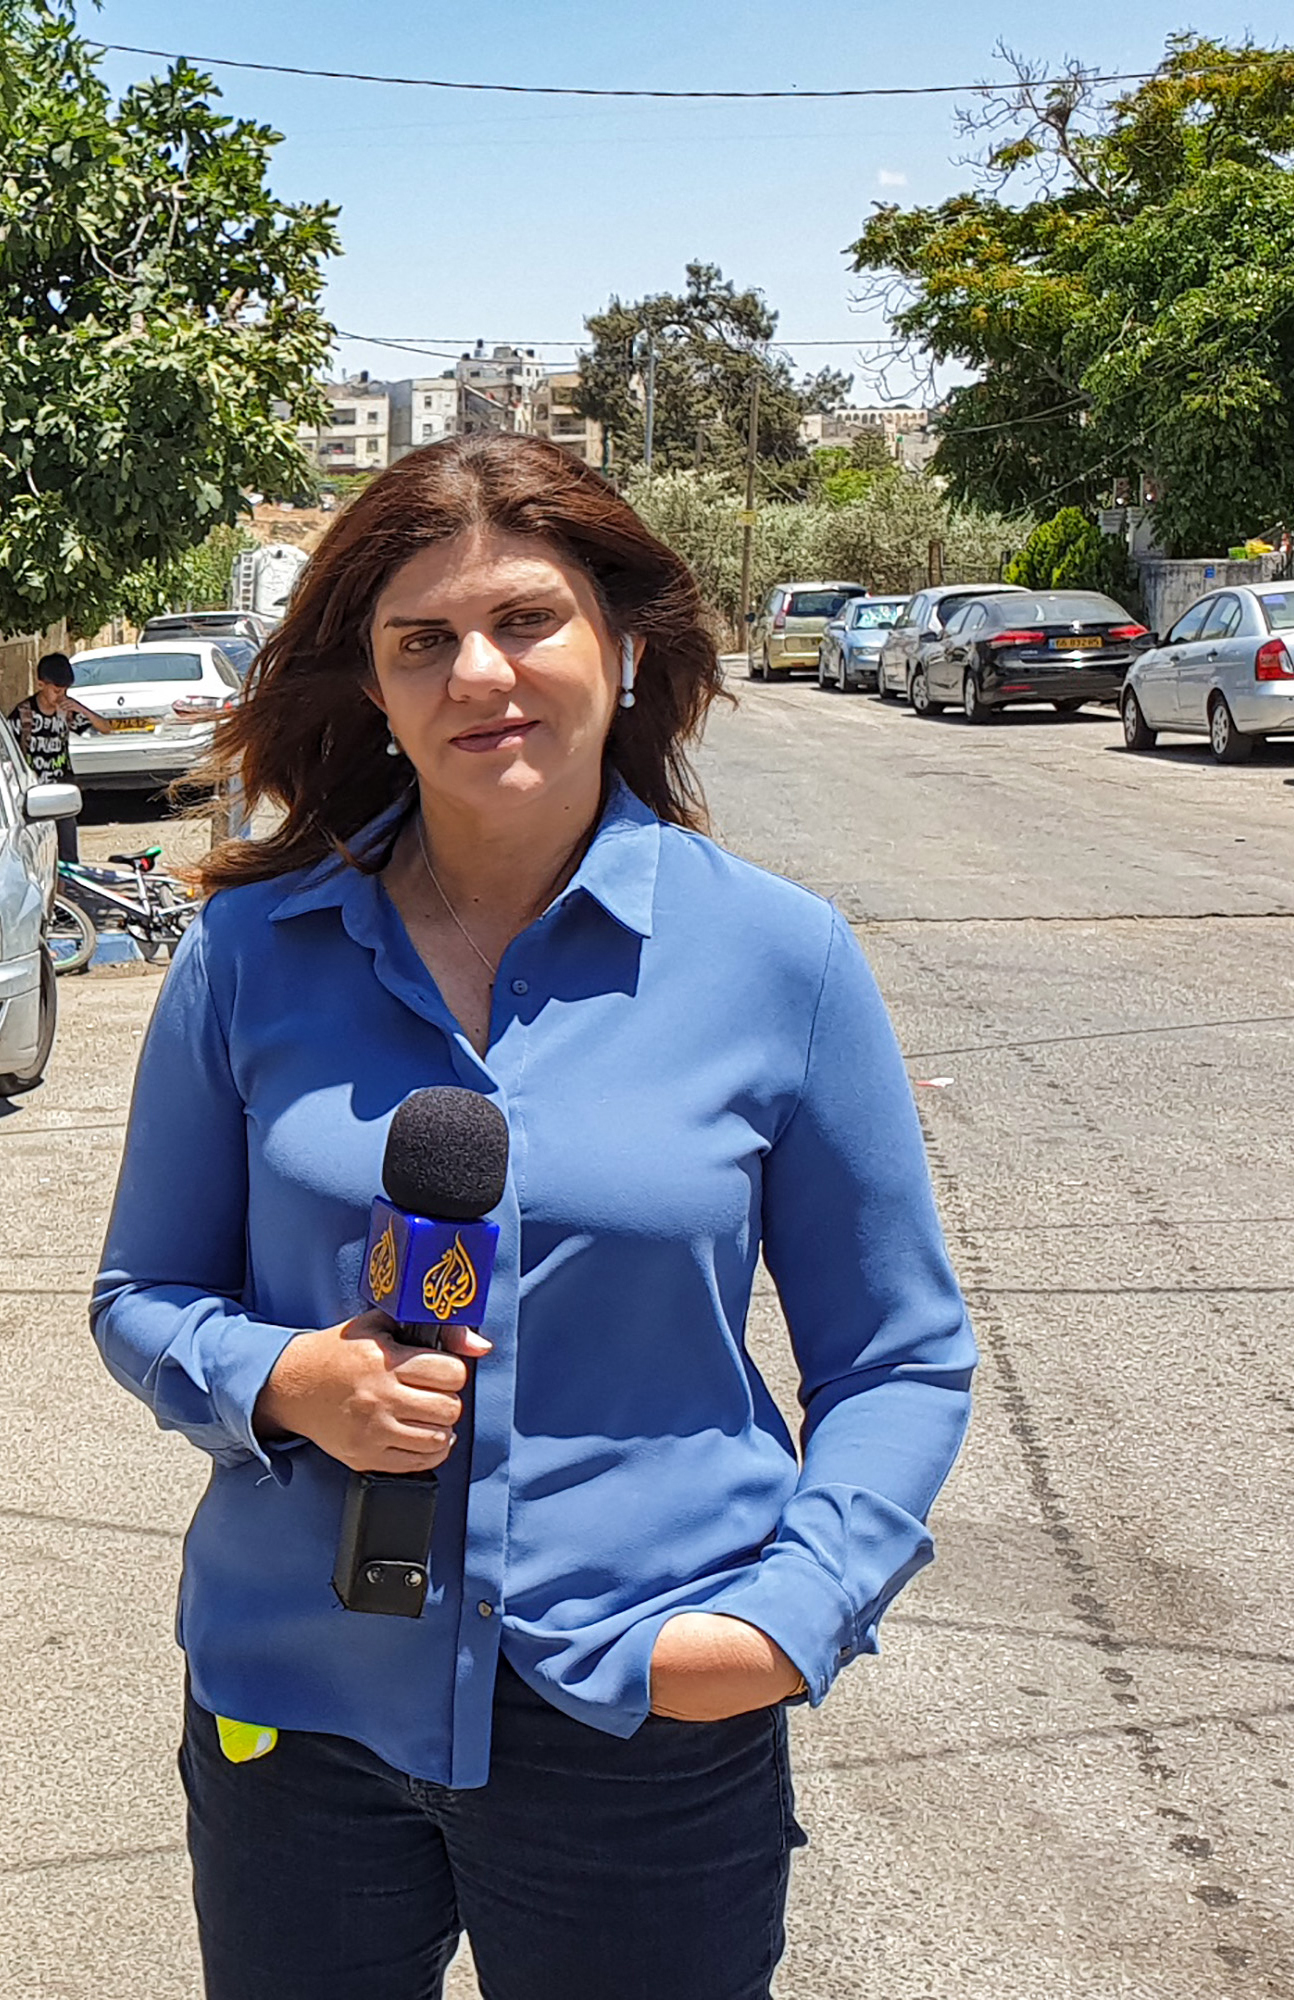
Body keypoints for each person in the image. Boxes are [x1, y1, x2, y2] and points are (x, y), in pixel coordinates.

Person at [92, 435, 974, 2000]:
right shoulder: (248, 956)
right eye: (421, 640)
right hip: (297, 1713)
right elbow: (143, 1293)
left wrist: (794, 1617)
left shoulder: (781, 960)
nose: (478, 673)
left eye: (528, 622)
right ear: (371, 684)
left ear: (624, 647)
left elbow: (899, 1359)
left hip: (643, 1717)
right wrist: (292, 1382)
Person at [8, 651, 102, 861]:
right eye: (56, 690)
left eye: (65, 691)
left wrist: (81, 709)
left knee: (68, 854)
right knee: (34, 854)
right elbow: (7, 753)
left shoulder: (67, 712)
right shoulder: (22, 714)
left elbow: (105, 728)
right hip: (31, 795)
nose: (61, 696)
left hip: (62, 793)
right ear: (41, 684)